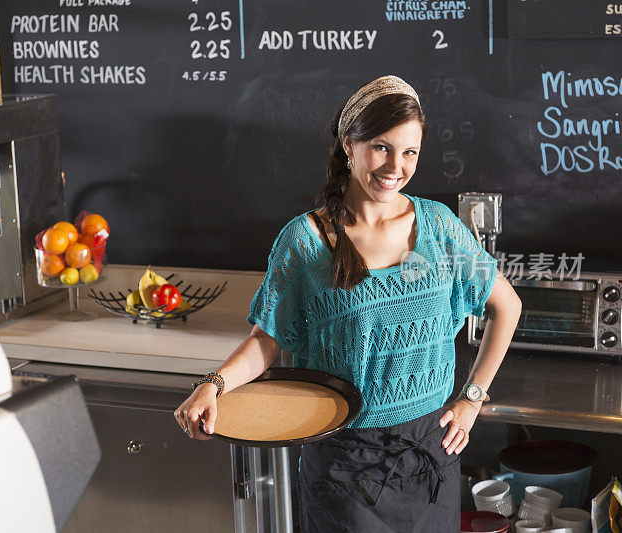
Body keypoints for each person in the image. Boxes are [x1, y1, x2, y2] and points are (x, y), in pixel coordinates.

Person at [174, 75, 522, 532]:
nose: (395, 166)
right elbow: (267, 340)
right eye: (381, 147)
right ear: (348, 143)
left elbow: (507, 305)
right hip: (343, 465)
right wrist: (213, 384)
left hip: (431, 453)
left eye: (410, 152)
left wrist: (472, 400)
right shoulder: (305, 241)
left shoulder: (439, 227)